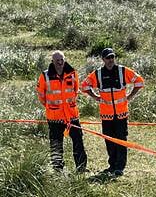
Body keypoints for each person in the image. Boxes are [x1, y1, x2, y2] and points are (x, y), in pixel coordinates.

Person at [81, 48, 144, 177]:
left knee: (121, 140)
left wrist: (130, 96)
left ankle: (120, 167)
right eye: (108, 58)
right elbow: (84, 86)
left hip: (121, 113)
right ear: (103, 59)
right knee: (109, 140)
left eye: (112, 57)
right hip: (106, 114)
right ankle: (112, 165)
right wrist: (95, 97)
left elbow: (139, 82)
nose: (110, 60)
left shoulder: (122, 70)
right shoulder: (98, 74)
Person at [36, 51, 87, 172]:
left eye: (62, 60)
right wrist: (51, 107)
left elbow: (75, 90)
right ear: (52, 62)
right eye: (57, 60)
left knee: (78, 141)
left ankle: (81, 168)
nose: (60, 62)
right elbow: (41, 95)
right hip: (54, 117)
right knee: (56, 143)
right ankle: (58, 169)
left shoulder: (72, 73)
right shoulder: (45, 76)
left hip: (72, 115)